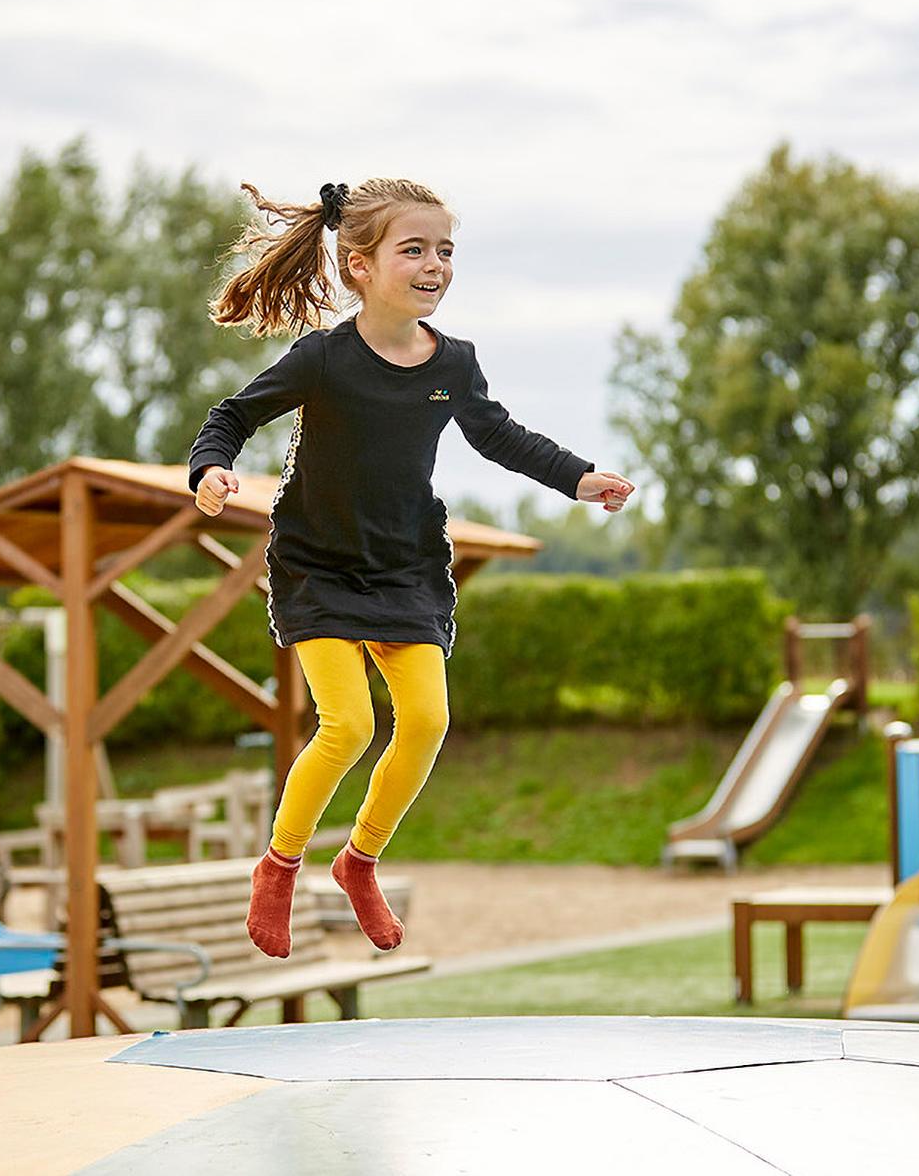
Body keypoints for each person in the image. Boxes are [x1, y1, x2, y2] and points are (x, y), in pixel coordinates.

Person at [188, 178, 635, 957]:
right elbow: (233, 414)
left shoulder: (452, 363)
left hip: (405, 569)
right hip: (320, 567)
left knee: (427, 723)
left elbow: (500, 436)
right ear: (360, 266)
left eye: (446, 251)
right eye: (416, 250)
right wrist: (211, 468)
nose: (435, 265)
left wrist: (578, 478)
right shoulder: (324, 359)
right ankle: (279, 867)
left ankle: (358, 862)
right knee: (349, 725)